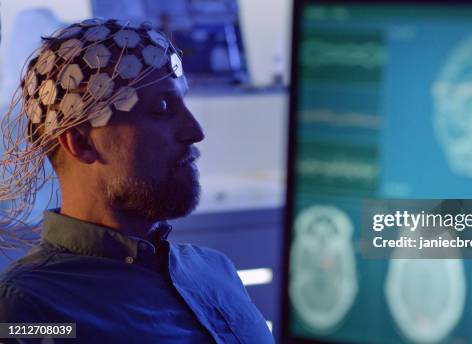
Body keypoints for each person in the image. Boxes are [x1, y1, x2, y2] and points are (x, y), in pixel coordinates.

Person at [0, 18, 274, 343]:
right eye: (161, 107)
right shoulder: (28, 310)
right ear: (82, 143)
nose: (195, 131)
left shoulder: (215, 270)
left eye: (183, 102)